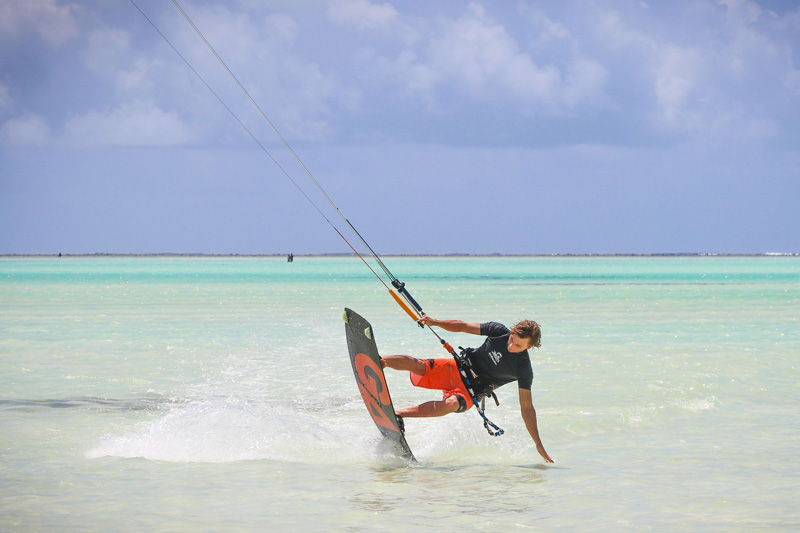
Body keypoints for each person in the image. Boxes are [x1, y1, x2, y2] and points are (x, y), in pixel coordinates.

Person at [381, 315, 554, 463]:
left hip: (469, 392)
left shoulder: (523, 369)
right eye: (511, 339)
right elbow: (463, 326)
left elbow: (527, 407)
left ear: (529, 347)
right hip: (456, 368)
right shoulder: (498, 331)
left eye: (517, 346)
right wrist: (435, 322)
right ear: (511, 331)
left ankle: (398, 414)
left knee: (449, 405)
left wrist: (538, 443)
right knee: (418, 365)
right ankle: (381, 362)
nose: (510, 346)